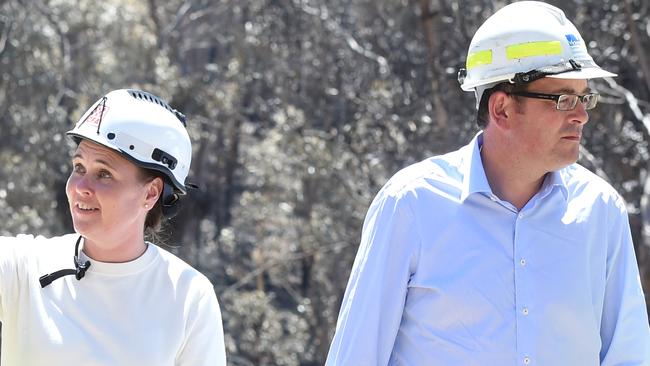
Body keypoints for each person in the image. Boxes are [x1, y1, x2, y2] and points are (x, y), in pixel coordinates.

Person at [325, 2, 650, 365]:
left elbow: (628, 355)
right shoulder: (412, 205)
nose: (581, 115)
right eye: (563, 99)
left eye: (584, 97)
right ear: (502, 110)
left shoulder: (600, 211)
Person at [0, 89, 227, 365]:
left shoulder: (189, 297)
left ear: (150, 193)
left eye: (104, 174)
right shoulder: (22, 267)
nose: (80, 187)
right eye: (79, 167)